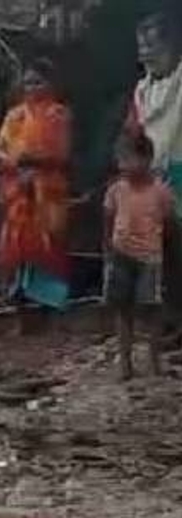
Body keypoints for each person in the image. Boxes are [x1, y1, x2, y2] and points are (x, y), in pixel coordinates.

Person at [0, 59, 73, 331]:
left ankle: (47, 314)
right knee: (18, 252)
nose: (32, 87)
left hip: (47, 196)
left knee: (47, 249)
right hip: (18, 194)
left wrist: (33, 162)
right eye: (27, 82)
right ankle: (21, 314)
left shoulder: (58, 115)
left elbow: (62, 154)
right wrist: (15, 165)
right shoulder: (14, 116)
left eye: (38, 81)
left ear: (50, 84)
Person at [103, 134, 178, 379]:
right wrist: (108, 252)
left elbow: (170, 226)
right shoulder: (117, 189)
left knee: (151, 310)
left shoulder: (161, 191)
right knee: (122, 310)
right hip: (121, 254)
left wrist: (167, 256)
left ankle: (154, 361)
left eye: (128, 158)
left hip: (150, 258)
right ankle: (125, 364)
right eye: (120, 159)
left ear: (146, 159)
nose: (122, 165)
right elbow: (108, 219)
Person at [127, 13, 182, 330]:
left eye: (152, 44)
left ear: (172, 46)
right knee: (160, 257)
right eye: (141, 46)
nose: (145, 52)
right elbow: (134, 134)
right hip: (152, 182)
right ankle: (169, 322)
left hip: (179, 177)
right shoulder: (141, 91)